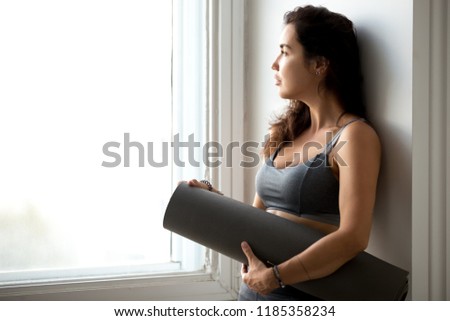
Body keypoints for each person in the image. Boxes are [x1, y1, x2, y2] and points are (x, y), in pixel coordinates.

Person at [187, 5, 381, 300]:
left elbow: (353, 237)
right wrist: (214, 202)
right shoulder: (285, 133)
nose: (274, 64)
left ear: (319, 64)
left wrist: (277, 277)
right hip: (252, 295)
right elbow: (259, 222)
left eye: (285, 51)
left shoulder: (354, 136)